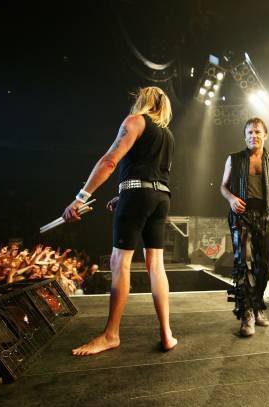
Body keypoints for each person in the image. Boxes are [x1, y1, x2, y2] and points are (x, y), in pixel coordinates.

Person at [62, 86, 177, 355]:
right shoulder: (168, 135)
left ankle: (111, 334)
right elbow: (150, 172)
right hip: (161, 197)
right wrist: (123, 194)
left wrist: (81, 196)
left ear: (143, 100)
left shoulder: (134, 121)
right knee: (156, 265)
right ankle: (167, 334)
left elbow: (110, 161)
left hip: (139, 195)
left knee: (119, 262)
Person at [220, 117, 269, 337]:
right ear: (245, 136)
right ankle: (246, 315)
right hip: (240, 216)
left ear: (265, 135)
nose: (254, 136)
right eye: (250, 132)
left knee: (263, 268)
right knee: (242, 264)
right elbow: (223, 187)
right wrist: (231, 198)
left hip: (265, 215)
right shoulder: (233, 159)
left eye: (257, 132)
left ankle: (257, 305)